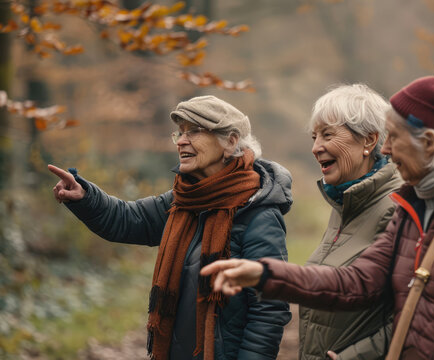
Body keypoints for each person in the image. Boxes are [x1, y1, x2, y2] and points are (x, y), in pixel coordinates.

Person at [201, 63, 434, 359]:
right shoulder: (412, 207)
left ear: (427, 142)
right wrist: (266, 274)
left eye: (393, 138)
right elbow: (357, 282)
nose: (385, 148)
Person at [48, 95, 292, 360]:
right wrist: (85, 196)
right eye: (180, 133)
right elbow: (128, 219)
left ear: (231, 141)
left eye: (195, 131)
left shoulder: (258, 213)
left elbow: (269, 309)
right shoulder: (184, 200)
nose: (182, 141)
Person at [300, 84, 402, 360]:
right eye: (314, 136)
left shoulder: (397, 210)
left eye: (327, 134)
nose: (315, 147)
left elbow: (422, 313)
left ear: (369, 141)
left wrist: (356, 357)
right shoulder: (345, 204)